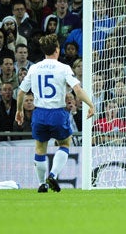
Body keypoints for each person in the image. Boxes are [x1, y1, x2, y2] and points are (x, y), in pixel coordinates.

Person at [16, 34, 95, 193]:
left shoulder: (34, 68)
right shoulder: (64, 68)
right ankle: (52, 174)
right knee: (65, 143)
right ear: (57, 49)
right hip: (58, 113)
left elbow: (20, 93)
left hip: (39, 113)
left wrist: (19, 111)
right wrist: (90, 105)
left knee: (40, 148)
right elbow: (77, 89)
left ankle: (41, 184)